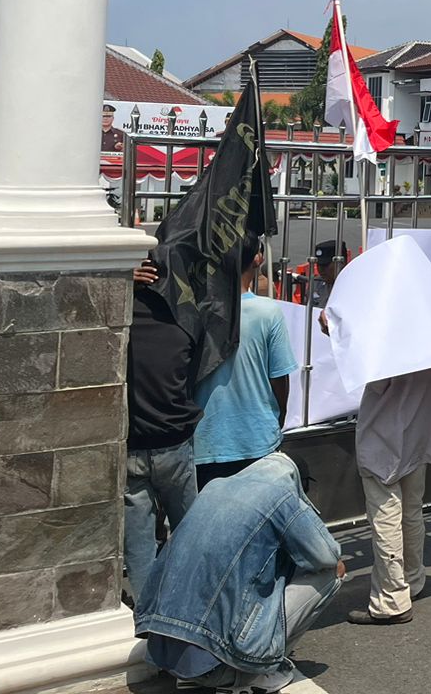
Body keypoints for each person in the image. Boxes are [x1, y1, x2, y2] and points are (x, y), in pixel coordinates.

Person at [135, 452, 342, 692]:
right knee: (331, 574)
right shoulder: (282, 495)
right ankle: (256, 672)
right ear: (298, 483)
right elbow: (326, 555)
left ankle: (199, 668)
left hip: (165, 656)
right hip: (217, 668)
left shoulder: (214, 487)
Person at [349, 359, 431, 625]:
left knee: (385, 514)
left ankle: (391, 600)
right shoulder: (430, 325)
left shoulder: (388, 328)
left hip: (384, 431)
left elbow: (372, 372)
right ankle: (412, 579)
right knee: (411, 509)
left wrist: (337, 328)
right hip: (418, 427)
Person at [123, 256, 200, 595]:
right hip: (175, 441)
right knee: (189, 534)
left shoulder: (121, 323)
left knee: (138, 545)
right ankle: (187, 603)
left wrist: (122, 283)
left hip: (132, 444)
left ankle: (145, 615)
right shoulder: (185, 323)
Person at [193, 239, 298, 489]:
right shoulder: (268, 312)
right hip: (257, 437)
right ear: (257, 259)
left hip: (205, 440)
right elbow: (280, 378)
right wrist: (279, 415)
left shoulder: (198, 310)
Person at [306, 240, 343, 309]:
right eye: (318, 265)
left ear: (342, 263)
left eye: (325, 265)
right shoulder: (315, 284)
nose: (321, 269)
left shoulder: (353, 287)